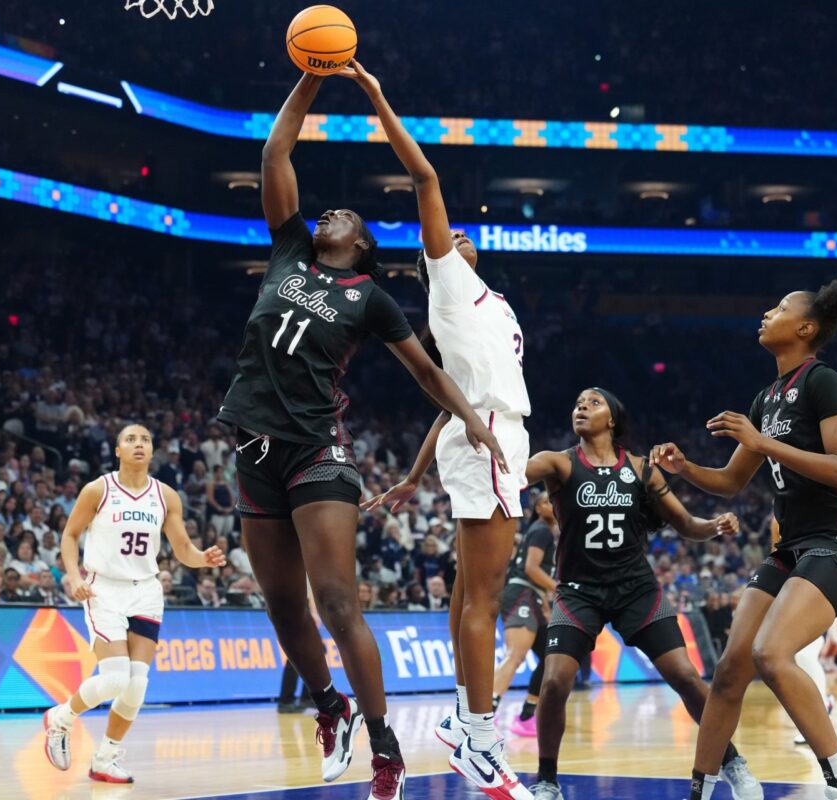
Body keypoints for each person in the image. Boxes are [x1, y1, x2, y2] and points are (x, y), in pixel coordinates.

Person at [213, 68, 504, 800]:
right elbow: (275, 155)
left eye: (346, 215)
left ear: (364, 244)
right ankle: (330, 707)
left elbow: (427, 372)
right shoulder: (289, 250)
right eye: (330, 210)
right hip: (253, 449)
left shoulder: (370, 298)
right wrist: (311, 77)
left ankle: (385, 751)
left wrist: (471, 420)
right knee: (281, 605)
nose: (332, 212)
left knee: (337, 602)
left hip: (317, 452)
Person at [348, 60, 532, 799]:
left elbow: (448, 403)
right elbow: (424, 176)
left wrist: (415, 474)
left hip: (481, 434)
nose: (457, 232)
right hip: (490, 438)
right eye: (446, 235)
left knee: (466, 592)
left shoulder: (492, 303)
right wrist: (377, 96)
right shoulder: (450, 284)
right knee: (485, 594)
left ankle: (461, 720)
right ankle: (481, 741)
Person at [651, 279, 837, 800]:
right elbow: (731, 482)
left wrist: (763, 442)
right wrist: (685, 468)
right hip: (792, 546)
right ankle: (700, 790)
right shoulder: (765, 398)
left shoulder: (823, 381)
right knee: (730, 667)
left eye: (779, 309)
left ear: (805, 328)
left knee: (772, 653)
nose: (766, 313)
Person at [521, 389, 762, 800]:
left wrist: (714, 525)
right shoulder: (557, 463)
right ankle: (546, 781)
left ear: (612, 419)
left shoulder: (640, 468)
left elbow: (686, 524)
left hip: (636, 589)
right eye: (577, 402)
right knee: (556, 681)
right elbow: (512, 472)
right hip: (579, 591)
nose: (582, 407)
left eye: (593, 402)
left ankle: (732, 761)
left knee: (685, 676)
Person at [42, 425, 225, 784]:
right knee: (115, 679)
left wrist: (202, 558)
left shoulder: (166, 496)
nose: (138, 444)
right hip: (104, 590)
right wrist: (75, 578)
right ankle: (60, 718)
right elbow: (70, 535)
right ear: (117, 450)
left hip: (146, 592)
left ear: (152, 451)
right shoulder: (98, 489)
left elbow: (182, 549)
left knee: (136, 685)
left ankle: (104, 759)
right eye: (130, 439)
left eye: (145, 440)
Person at [490, 492, 557, 738]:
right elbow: (531, 569)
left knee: (551, 657)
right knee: (515, 655)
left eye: (554, 500)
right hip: (522, 594)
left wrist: (545, 604)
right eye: (546, 501)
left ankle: (527, 717)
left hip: (534, 597)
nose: (553, 504)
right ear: (538, 509)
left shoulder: (544, 531)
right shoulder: (541, 530)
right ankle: (485, 714)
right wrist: (559, 589)